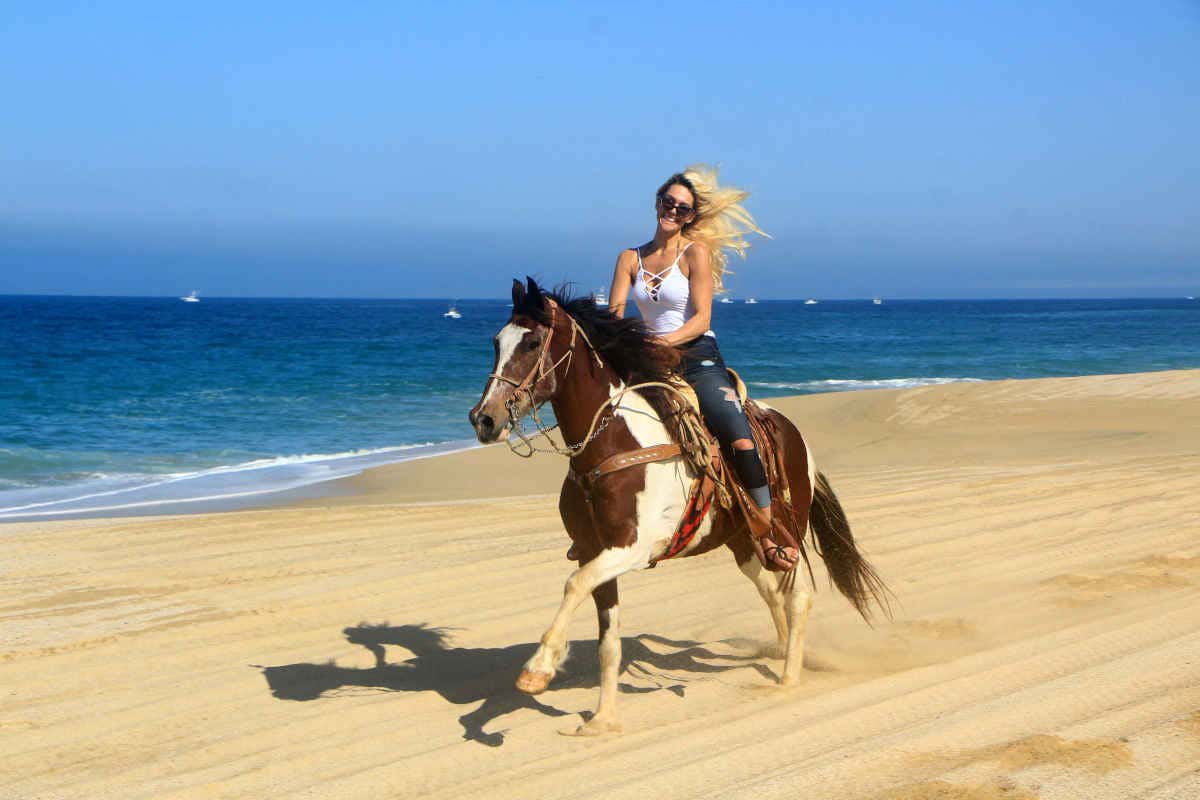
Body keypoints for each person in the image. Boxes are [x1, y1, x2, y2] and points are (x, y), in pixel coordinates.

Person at [606, 165, 799, 571]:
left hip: (695, 356)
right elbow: (614, 315)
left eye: (682, 208)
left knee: (736, 432)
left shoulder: (695, 254)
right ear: (657, 203)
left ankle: (766, 526)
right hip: (644, 361)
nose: (672, 211)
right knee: (601, 421)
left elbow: (700, 319)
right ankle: (594, 521)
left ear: (691, 216)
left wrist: (656, 343)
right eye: (668, 203)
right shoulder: (629, 258)